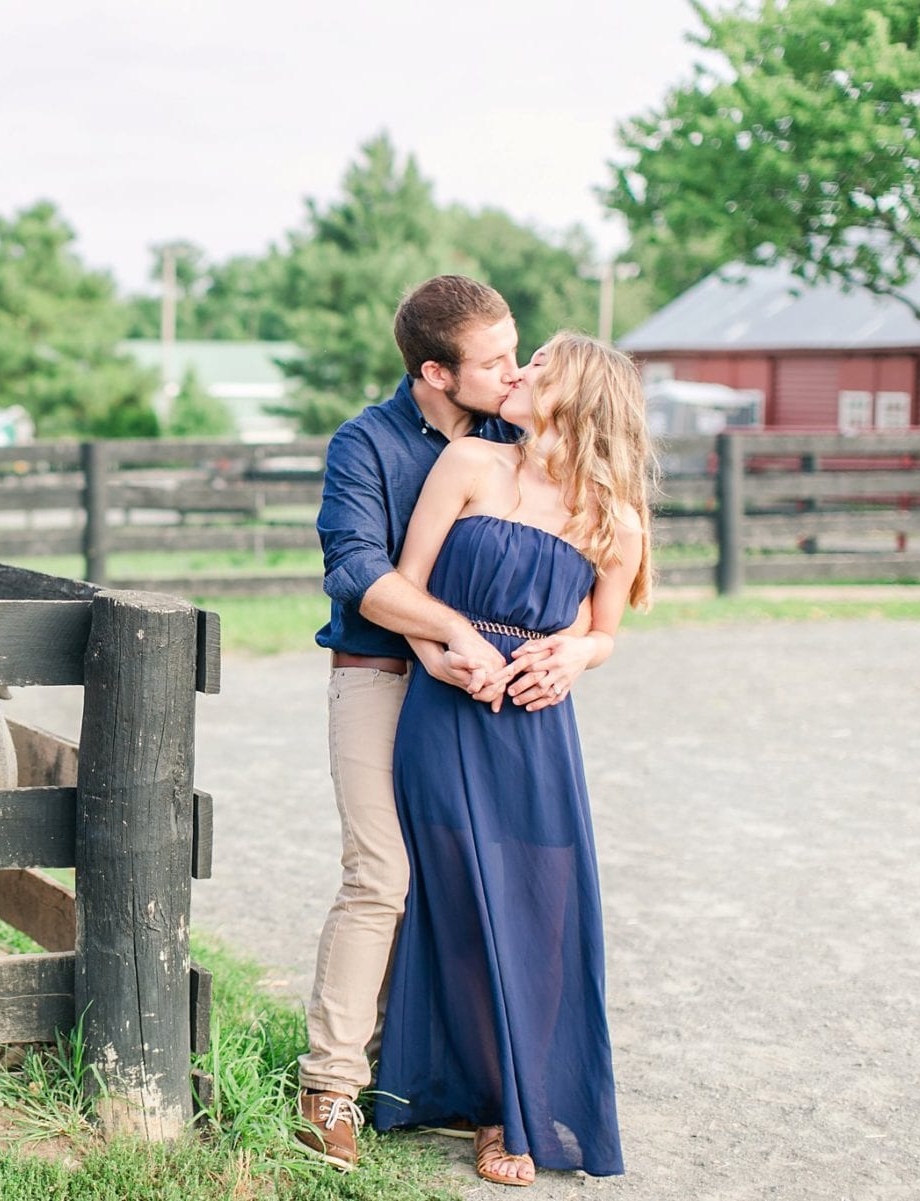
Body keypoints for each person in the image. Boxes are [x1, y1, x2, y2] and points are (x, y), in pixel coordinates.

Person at [295, 276, 595, 1171]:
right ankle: (330, 1085)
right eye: (494, 360)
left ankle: (471, 1086)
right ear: (435, 370)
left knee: (479, 880)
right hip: (382, 675)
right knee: (382, 873)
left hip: (489, 696)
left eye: (517, 352)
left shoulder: (521, 433)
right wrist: (450, 634)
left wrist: (577, 647)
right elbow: (357, 569)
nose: (514, 370)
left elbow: (585, 555)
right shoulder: (368, 444)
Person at [371, 331, 653, 1186]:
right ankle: (468, 1098)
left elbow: (605, 634)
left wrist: (572, 658)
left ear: (576, 395)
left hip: (536, 728)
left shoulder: (617, 518)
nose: (519, 373)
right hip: (445, 706)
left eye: (539, 367)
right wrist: (443, 658)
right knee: (454, 895)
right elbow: (403, 587)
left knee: (537, 904)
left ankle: (514, 1107)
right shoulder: (467, 463)